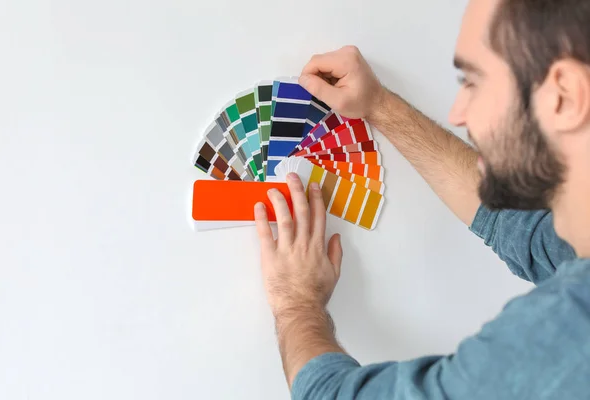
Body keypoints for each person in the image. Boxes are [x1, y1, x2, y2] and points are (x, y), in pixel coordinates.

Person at [253, 0, 590, 398]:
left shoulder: (569, 333)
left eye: (473, 82)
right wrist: (378, 105)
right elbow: (520, 228)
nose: (458, 112)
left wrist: (297, 304)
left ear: (564, 95)